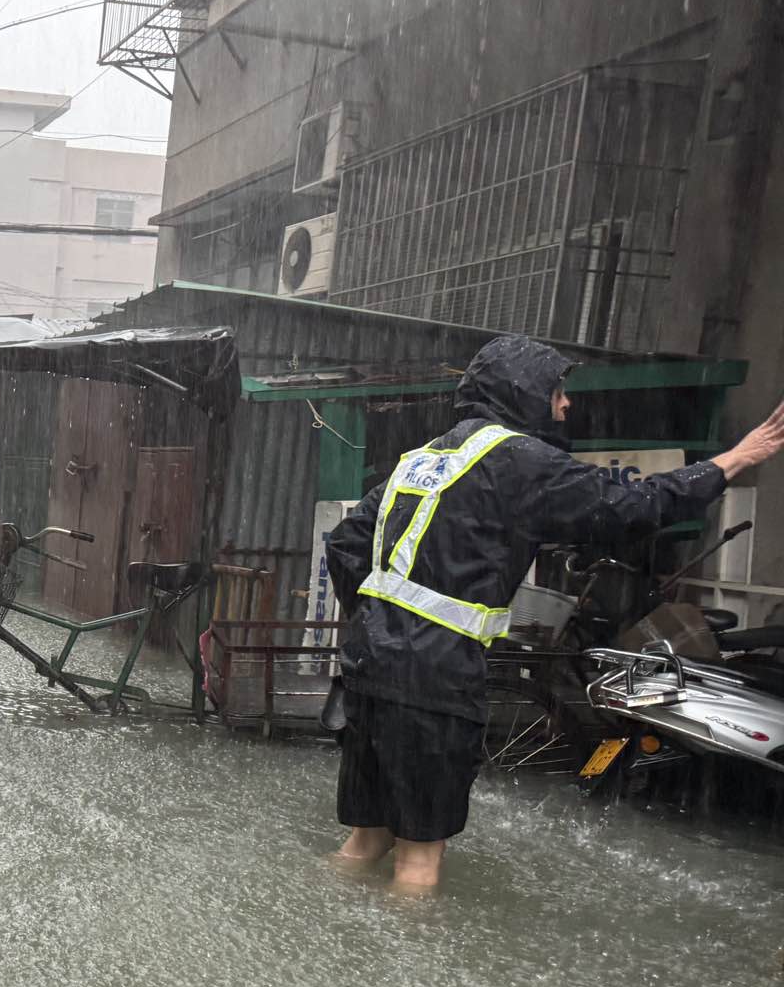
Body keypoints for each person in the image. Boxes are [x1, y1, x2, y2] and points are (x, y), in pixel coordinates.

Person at [325, 333, 784, 891]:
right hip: (434, 679)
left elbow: (346, 543)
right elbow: (633, 507)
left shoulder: (423, 459)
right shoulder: (519, 461)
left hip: (369, 671)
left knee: (367, 839)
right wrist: (733, 459)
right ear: (524, 391)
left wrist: (381, 625)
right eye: (558, 390)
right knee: (419, 859)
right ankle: (402, 975)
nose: (565, 405)